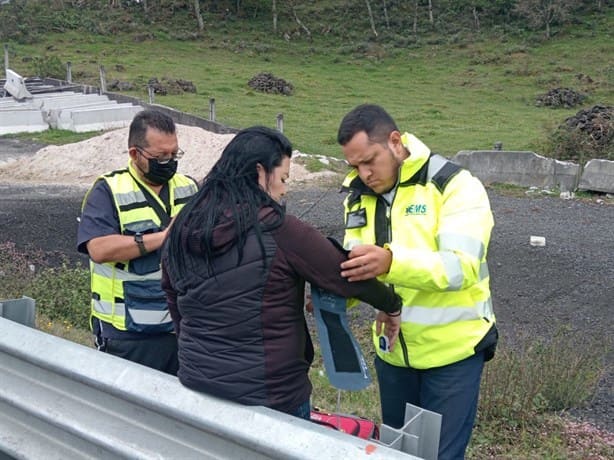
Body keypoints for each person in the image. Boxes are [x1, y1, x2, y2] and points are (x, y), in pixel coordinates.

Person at [161, 126, 402, 420]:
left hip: (197, 384)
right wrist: (391, 304)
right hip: (271, 396)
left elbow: (172, 293)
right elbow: (346, 273)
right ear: (261, 173)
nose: (285, 189)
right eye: (284, 178)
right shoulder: (280, 229)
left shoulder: (184, 223)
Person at [337, 104, 498, 459]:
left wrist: (390, 263)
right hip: (393, 357)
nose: (363, 174)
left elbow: (460, 267)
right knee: (398, 452)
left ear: (395, 142)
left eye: (369, 161)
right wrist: (333, 291)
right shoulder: (358, 196)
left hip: (451, 356)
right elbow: (356, 266)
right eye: (354, 166)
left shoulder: (454, 186)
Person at [77, 109, 198, 375]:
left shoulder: (189, 188)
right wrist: (164, 237)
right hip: (128, 336)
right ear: (134, 153)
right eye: (159, 156)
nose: (168, 162)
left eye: (173, 155)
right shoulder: (108, 191)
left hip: (184, 330)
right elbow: (98, 249)